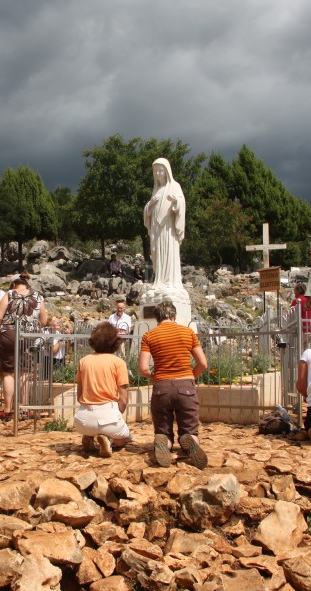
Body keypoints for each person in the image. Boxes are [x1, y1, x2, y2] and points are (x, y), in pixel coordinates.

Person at [138, 301, 208, 469]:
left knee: (162, 427)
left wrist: (154, 378)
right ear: (174, 316)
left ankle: (164, 441)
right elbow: (203, 364)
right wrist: (191, 376)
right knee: (189, 426)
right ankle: (190, 441)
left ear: (156, 318)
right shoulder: (188, 332)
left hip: (162, 386)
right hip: (186, 385)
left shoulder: (149, 336)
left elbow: (142, 368)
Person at [74, 322, 131, 457]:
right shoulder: (118, 363)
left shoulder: (84, 361)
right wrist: (117, 414)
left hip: (82, 420)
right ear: (115, 342)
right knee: (125, 438)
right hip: (108, 414)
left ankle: (89, 436)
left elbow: (79, 395)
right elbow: (123, 400)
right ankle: (108, 439)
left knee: (92, 427)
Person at [0, 276, 47, 420]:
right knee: (24, 373)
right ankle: (24, 409)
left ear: (13, 284)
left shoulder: (10, 294)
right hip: (28, 336)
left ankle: (7, 409)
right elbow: (43, 320)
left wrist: (0, 330)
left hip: (9, 334)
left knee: (8, 373)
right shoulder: (37, 296)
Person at [143, 158, 186, 290]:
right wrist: (150, 204)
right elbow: (148, 210)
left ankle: (169, 281)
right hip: (156, 228)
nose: (158, 173)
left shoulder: (174, 186)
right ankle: (160, 280)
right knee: (156, 252)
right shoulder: (156, 190)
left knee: (168, 252)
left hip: (168, 228)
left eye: (160, 170)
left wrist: (175, 202)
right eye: (155, 171)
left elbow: (182, 203)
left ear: (167, 171)